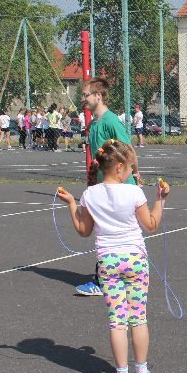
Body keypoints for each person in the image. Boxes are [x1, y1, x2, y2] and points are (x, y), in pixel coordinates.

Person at [56, 139, 167, 373]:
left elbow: (84, 230)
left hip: (108, 261)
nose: (132, 172)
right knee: (138, 317)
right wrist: (160, 199)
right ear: (118, 167)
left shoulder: (90, 194)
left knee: (118, 320)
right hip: (135, 260)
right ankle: (142, 370)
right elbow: (150, 225)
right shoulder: (133, 192)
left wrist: (72, 203)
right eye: (130, 168)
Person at [75, 77, 142, 296]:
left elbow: (127, 149)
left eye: (86, 95)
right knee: (107, 231)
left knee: (112, 233)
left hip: (119, 186)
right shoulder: (93, 124)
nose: (83, 99)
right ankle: (117, 275)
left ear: (98, 96)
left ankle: (105, 280)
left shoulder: (110, 120)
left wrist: (135, 173)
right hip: (105, 187)